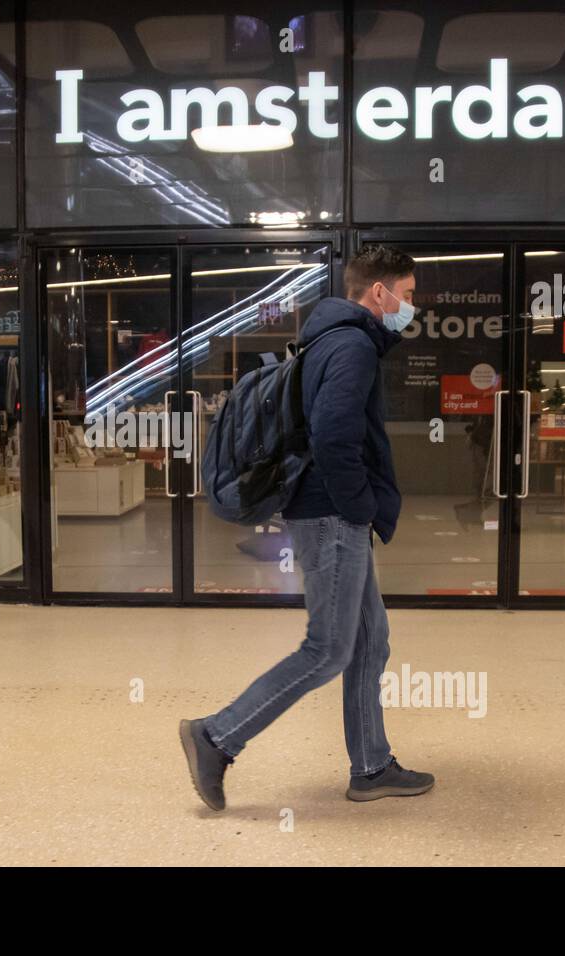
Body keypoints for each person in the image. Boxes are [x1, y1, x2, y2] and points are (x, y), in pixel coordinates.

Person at [180, 245, 433, 810]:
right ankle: (216, 736)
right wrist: (360, 507)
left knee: (369, 641)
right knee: (328, 649)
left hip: (330, 512)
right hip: (332, 515)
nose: (411, 306)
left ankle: (371, 767)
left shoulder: (328, 338)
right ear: (379, 293)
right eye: (408, 294)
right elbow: (334, 434)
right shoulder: (352, 345)